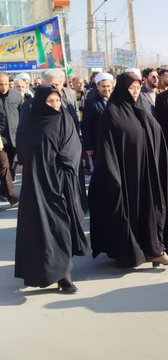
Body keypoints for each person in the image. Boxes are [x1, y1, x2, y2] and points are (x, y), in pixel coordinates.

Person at [89, 72, 168, 268]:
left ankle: (156, 249)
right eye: (130, 88)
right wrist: (113, 176)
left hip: (148, 172)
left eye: (137, 88)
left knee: (154, 210)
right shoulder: (112, 114)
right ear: (122, 89)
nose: (135, 92)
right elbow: (107, 149)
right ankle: (139, 251)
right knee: (133, 214)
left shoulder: (140, 108)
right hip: (127, 176)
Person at [15, 85, 90, 293]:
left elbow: (74, 148)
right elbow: (26, 150)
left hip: (62, 184)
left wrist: (63, 164)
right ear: (40, 102)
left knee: (61, 227)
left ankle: (64, 275)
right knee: (41, 230)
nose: (55, 105)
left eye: (57, 100)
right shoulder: (31, 122)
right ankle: (43, 271)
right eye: (50, 101)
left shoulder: (64, 118)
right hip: (38, 186)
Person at [81, 72, 113, 160]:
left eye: (108, 86)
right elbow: (86, 125)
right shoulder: (90, 102)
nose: (106, 89)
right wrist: (88, 146)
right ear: (98, 87)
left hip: (115, 142)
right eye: (103, 86)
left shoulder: (117, 101)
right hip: (98, 144)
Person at [0, 72, 21, 204]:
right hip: (0, 139)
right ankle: (11, 195)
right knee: (4, 165)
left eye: (6, 83)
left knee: (12, 166)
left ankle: (4, 189)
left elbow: (22, 114)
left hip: (14, 138)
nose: (4, 86)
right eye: (1, 84)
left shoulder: (16, 95)